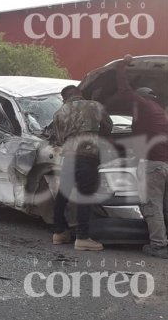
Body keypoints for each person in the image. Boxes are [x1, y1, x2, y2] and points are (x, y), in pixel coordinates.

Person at [110, 54, 168, 259]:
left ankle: (159, 246)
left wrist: (121, 67)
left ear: (142, 97)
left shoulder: (142, 106)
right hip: (165, 165)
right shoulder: (160, 113)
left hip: (153, 166)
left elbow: (125, 91)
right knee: (165, 207)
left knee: (152, 207)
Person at [52, 85, 113, 251]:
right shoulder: (94, 105)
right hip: (88, 156)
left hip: (69, 157)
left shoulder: (59, 113)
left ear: (64, 99)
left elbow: (58, 139)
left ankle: (59, 233)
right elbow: (108, 126)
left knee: (62, 195)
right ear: (79, 93)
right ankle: (83, 237)